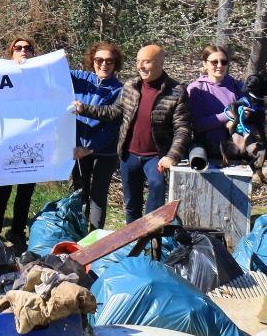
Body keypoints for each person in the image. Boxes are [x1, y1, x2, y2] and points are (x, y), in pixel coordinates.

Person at [72, 44, 191, 223]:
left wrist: (173, 155)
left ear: (160, 63)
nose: (140, 66)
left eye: (146, 62)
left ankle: (151, 235)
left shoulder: (176, 92)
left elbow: (183, 128)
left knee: (157, 188)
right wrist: (84, 109)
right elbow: (113, 112)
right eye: (138, 62)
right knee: (132, 205)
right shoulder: (131, 86)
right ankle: (132, 243)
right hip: (129, 156)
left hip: (155, 157)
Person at [0, 36, 39, 250]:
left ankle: (17, 231)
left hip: (32, 142)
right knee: (2, 189)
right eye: (18, 48)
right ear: (11, 53)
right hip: (7, 141)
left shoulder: (40, 73)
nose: (23, 51)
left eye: (27, 48)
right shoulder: (1, 72)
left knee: (25, 191)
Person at [70, 42, 125, 231]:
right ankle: (78, 235)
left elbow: (112, 128)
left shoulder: (120, 90)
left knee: (98, 196)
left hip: (105, 152)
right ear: (91, 61)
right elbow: (54, 73)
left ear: (115, 63)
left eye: (109, 61)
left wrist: (90, 148)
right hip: (78, 150)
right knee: (80, 193)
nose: (104, 64)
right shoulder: (81, 78)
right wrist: (60, 60)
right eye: (99, 60)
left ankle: (94, 239)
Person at [187, 45, 244, 165]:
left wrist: (245, 119)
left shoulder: (238, 87)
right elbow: (198, 125)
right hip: (207, 152)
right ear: (204, 64)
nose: (219, 66)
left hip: (235, 152)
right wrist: (228, 115)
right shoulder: (197, 89)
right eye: (214, 62)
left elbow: (258, 123)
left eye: (224, 62)